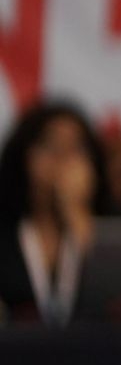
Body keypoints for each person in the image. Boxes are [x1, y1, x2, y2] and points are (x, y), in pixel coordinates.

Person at [0, 101, 104, 327]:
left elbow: (109, 294)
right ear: (25, 154)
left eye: (76, 148)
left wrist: (75, 211)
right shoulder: (6, 232)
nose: (63, 158)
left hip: (92, 355)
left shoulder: (110, 227)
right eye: (50, 145)